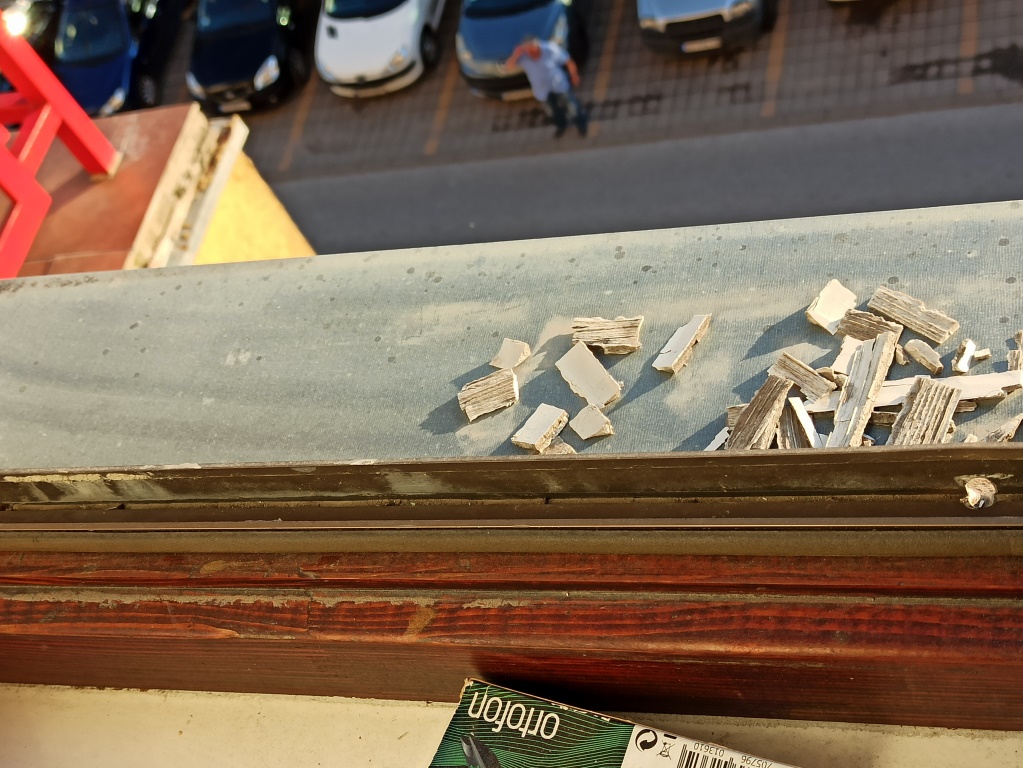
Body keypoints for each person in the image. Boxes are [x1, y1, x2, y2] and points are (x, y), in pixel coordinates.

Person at [506, 36, 588, 139]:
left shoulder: (550, 49)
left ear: (537, 46)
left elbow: (568, 61)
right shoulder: (523, 57)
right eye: (529, 50)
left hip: (559, 85)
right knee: (552, 111)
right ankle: (562, 125)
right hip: (542, 90)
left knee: (572, 106)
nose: (532, 52)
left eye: (533, 49)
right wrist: (515, 55)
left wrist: (574, 75)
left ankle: (581, 124)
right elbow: (508, 67)